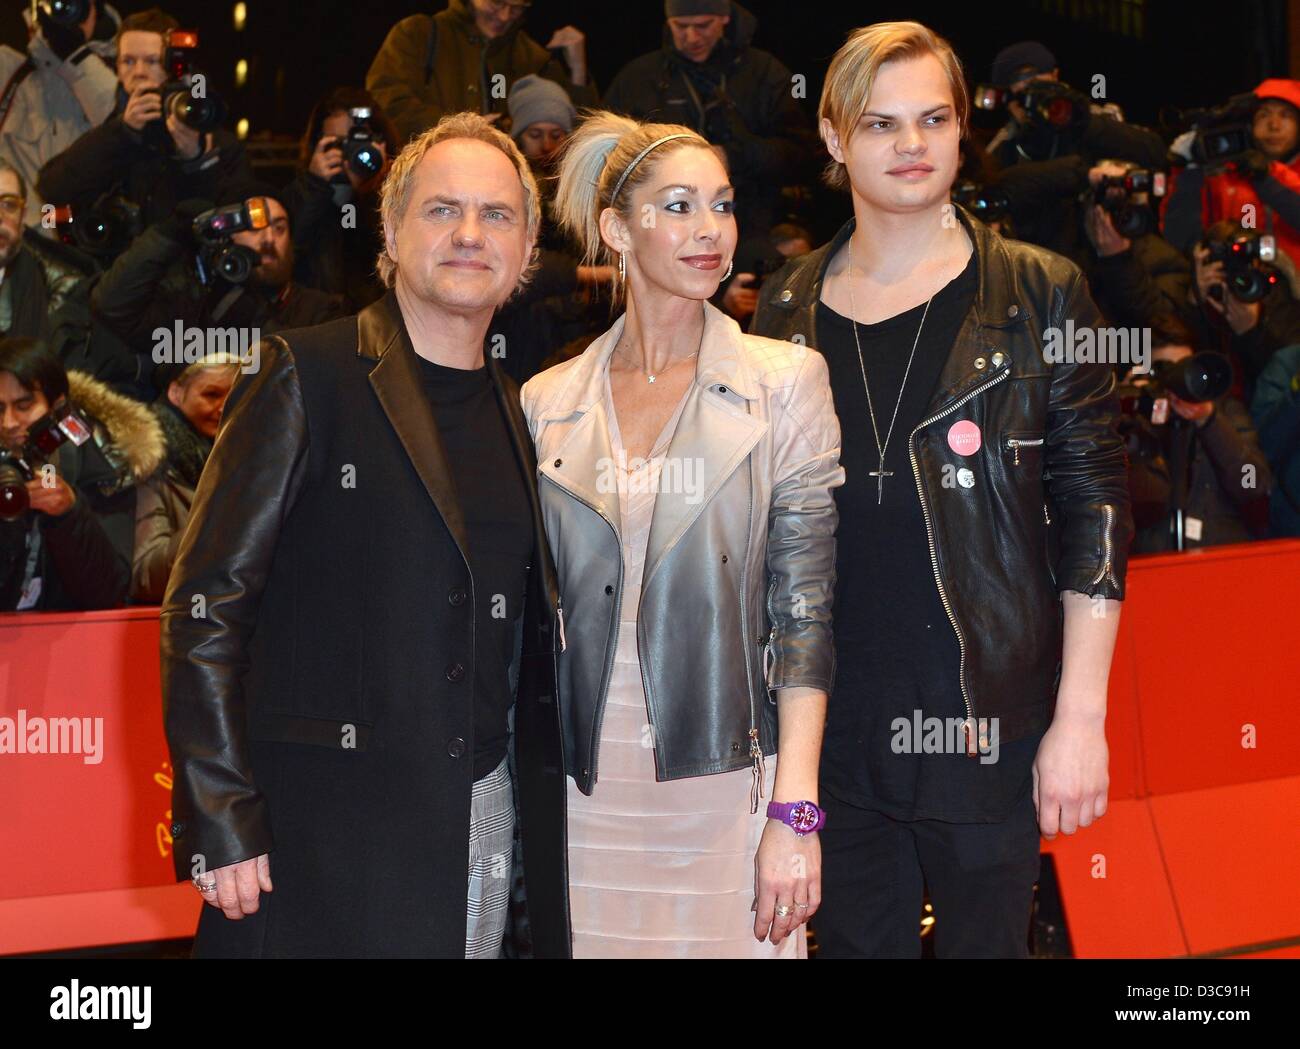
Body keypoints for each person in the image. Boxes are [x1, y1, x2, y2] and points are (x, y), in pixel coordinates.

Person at [750, 21, 1134, 958]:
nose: (912, 146)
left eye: (934, 119)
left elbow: (1097, 516)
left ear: (965, 131)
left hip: (986, 726)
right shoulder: (785, 307)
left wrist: (1080, 718)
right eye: (881, 124)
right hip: (829, 734)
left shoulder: (1043, 292)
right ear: (836, 140)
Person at [160, 111, 569, 958]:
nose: (468, 234)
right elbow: (204, 609)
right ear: (390, 228)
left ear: (528, 246)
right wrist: (221, 812)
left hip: (474, 818)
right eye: (440, 209)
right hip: (316, 839)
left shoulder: (525, 409)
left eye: (497, 215)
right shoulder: (304, 373)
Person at [523, 110, 843, 957]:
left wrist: (795, 809)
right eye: (677, 207)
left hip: (731, 788)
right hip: (585, 796)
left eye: (723, 204)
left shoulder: (786, 382)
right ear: (615, 230)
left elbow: (804, 615)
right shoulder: (547, 399)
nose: (711, 232)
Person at [90, 183, 347, 392]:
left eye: (279, 228)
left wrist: (257, 324)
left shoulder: (323, 311)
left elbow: (320, 384)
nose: (269, 238)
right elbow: (112, 305)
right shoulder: (195, 300)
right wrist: (166, 236)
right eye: (254, 227)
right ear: (228, 234)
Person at [603, 1, 816, 242]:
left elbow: (802, 154)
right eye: (680, 26)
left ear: (724, 18)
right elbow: (610, 158)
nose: (691, 37)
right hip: (664, 230)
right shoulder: (638, 77)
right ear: (667, 22)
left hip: (757, 224)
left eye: (703, 25)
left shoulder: (766, 73)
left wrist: (731, 156)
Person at [36, 7, 254, 239]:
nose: (139, 72)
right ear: (116, 68)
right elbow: (53, 191)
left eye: (152, 61)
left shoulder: (217, 143)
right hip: (116, 272)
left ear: (175, 66)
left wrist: (198, 162)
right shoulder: (106, 135)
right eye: (128, 61)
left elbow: (236, 224)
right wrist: (123, 133)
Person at [0, 335, 161, 611]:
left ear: (58, 405)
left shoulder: (104, 464)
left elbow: (108, 593)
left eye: (24, 406)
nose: (9, 423)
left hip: (73, 638)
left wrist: (67, 514)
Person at [1122, 319, 1272, 552]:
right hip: (1152, 562)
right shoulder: (1133, 422)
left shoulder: (1225, 412)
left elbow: (1252, 483)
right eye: (1163, 370)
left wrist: (1209, 421)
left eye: (1183, 368)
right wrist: (1126, 411)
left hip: (1218, 560)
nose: (1174, 382)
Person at [366, 0, 597, 146]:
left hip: (501, 190)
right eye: (496, 4)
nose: (505, 16)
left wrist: (577, 69)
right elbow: (387, 103)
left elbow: (578, 136)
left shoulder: (531, 56)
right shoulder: (417, 34)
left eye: (516, 7)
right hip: (423, 177)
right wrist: (462, 130)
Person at [0, 0, 120, 231]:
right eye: (55, 3)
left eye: (76, 4)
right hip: (21, 245)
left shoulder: (129, 66)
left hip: (101, 243)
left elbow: (126, 126)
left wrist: (76, 57)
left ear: (97, 9)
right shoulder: (9, 71)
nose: (64, 11)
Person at [130, 353, 240, 603]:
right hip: (171, 622)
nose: (224, 407)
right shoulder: (150, 461)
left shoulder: (244, 457)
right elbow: (144, 576)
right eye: (211, 395)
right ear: (176, 393)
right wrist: (213, 523)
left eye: (234, 396)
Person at [281, 88, 400, 313]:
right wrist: (314, 186)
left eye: (358, 141)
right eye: (339, 143)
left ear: (380, 141)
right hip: (321, 320)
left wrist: (375, 190)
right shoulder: (302, 194)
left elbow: (383, 262)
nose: (351, 153)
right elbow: (292, 251)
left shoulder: (400, 193)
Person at [1164, 80, 1300, 270]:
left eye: (1286, 115)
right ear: (1249, 124)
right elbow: (1179, 241)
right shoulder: (1220, 175)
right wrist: (1189, 172)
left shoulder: (1278, 178)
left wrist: (1265, 178)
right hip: (1231, 289)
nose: (1274, 125)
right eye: (1263, 115)